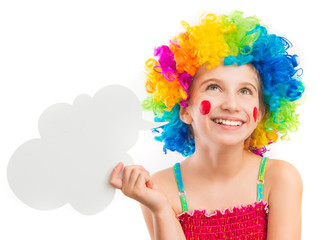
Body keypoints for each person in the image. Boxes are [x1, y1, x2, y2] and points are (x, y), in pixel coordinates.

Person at [110, 10, 304, 239]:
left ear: (261, 112)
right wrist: (160, 208)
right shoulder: (160, 187)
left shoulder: (279, 178)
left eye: (245, 91)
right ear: (184, 110)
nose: (232, 104)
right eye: (214, 87)